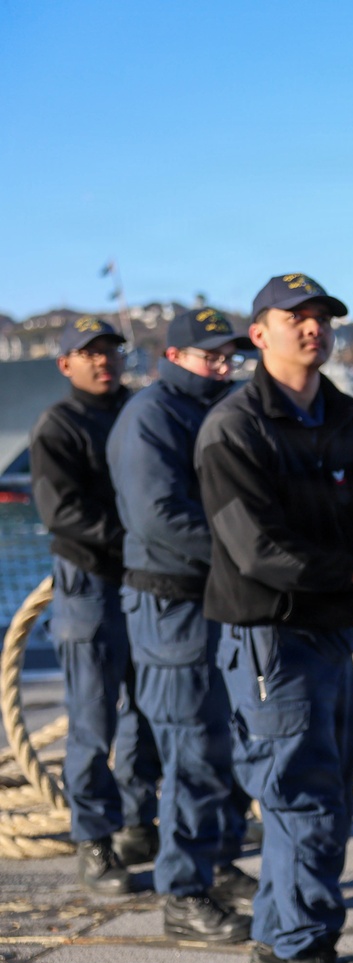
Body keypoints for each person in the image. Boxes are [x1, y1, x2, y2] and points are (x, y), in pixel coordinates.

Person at [194, 273, 353, 963]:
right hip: (270, 639)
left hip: (332, 633)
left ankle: (278, 949)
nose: (312, 327)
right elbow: (256, 552)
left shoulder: (351, 421)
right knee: (302, 800)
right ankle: (306, 955)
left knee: (321, 796)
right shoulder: (233, 428)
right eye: (296, 317)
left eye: (322, 316)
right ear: (258, 335)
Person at [107, 308, 256, 943]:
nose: (221, 364)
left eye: (226, 354)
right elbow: (158, 518)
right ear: (172, 357)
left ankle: (214, 862)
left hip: (210, 601)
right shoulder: (150, 418)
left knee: (219, 743)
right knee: (190, 749)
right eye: (208, 355)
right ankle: (183, 892)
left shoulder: (209, 411)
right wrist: (246, 553)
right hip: (171, 608)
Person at [29, 316, 160, 894]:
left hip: (143, 580)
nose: (103, 360)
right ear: (66, 364)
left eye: (110, 350)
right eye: (89, 353)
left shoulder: (138, 411)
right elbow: (63, 515)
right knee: (92, 719)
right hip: (90, 583)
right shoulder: (57, 427)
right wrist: (141, 539)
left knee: (145, 712)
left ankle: (136, 821)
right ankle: (93, 839)